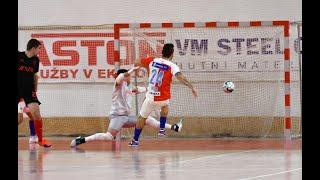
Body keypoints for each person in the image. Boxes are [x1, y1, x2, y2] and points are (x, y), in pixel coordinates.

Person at [70, 67, 183, 147]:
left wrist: (153, 88)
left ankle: (174, 127)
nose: (129, 78)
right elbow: (119, 78)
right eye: (127, 76)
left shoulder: (130, 87)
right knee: (109, 137)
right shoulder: (118, 86)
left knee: (147, 120)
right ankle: (82, 139)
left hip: (127, 118)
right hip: (117, 117)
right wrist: (130, 71)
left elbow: (142, 89)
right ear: (125, 77)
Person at [129, 43, 197, 147]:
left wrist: (140, 71)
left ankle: (135, 141)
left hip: (150, 96)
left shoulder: (152, 60)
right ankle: (161, 130)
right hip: (163, 97)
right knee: (165, 107)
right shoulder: (172, 66)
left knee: (141, 118)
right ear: (172, 54)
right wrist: (191, 87)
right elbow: (180, 77)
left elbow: (136, 61)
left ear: (162, 52)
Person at [17, 39, 51, 147]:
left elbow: (35, 75)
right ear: (33, 48)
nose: (40, 50)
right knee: (19, 119)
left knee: (36, 113)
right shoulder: (19, 56)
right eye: (39, 48)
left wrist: (35, 88)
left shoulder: (36, 60)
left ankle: (40, 140)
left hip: (29, 91)